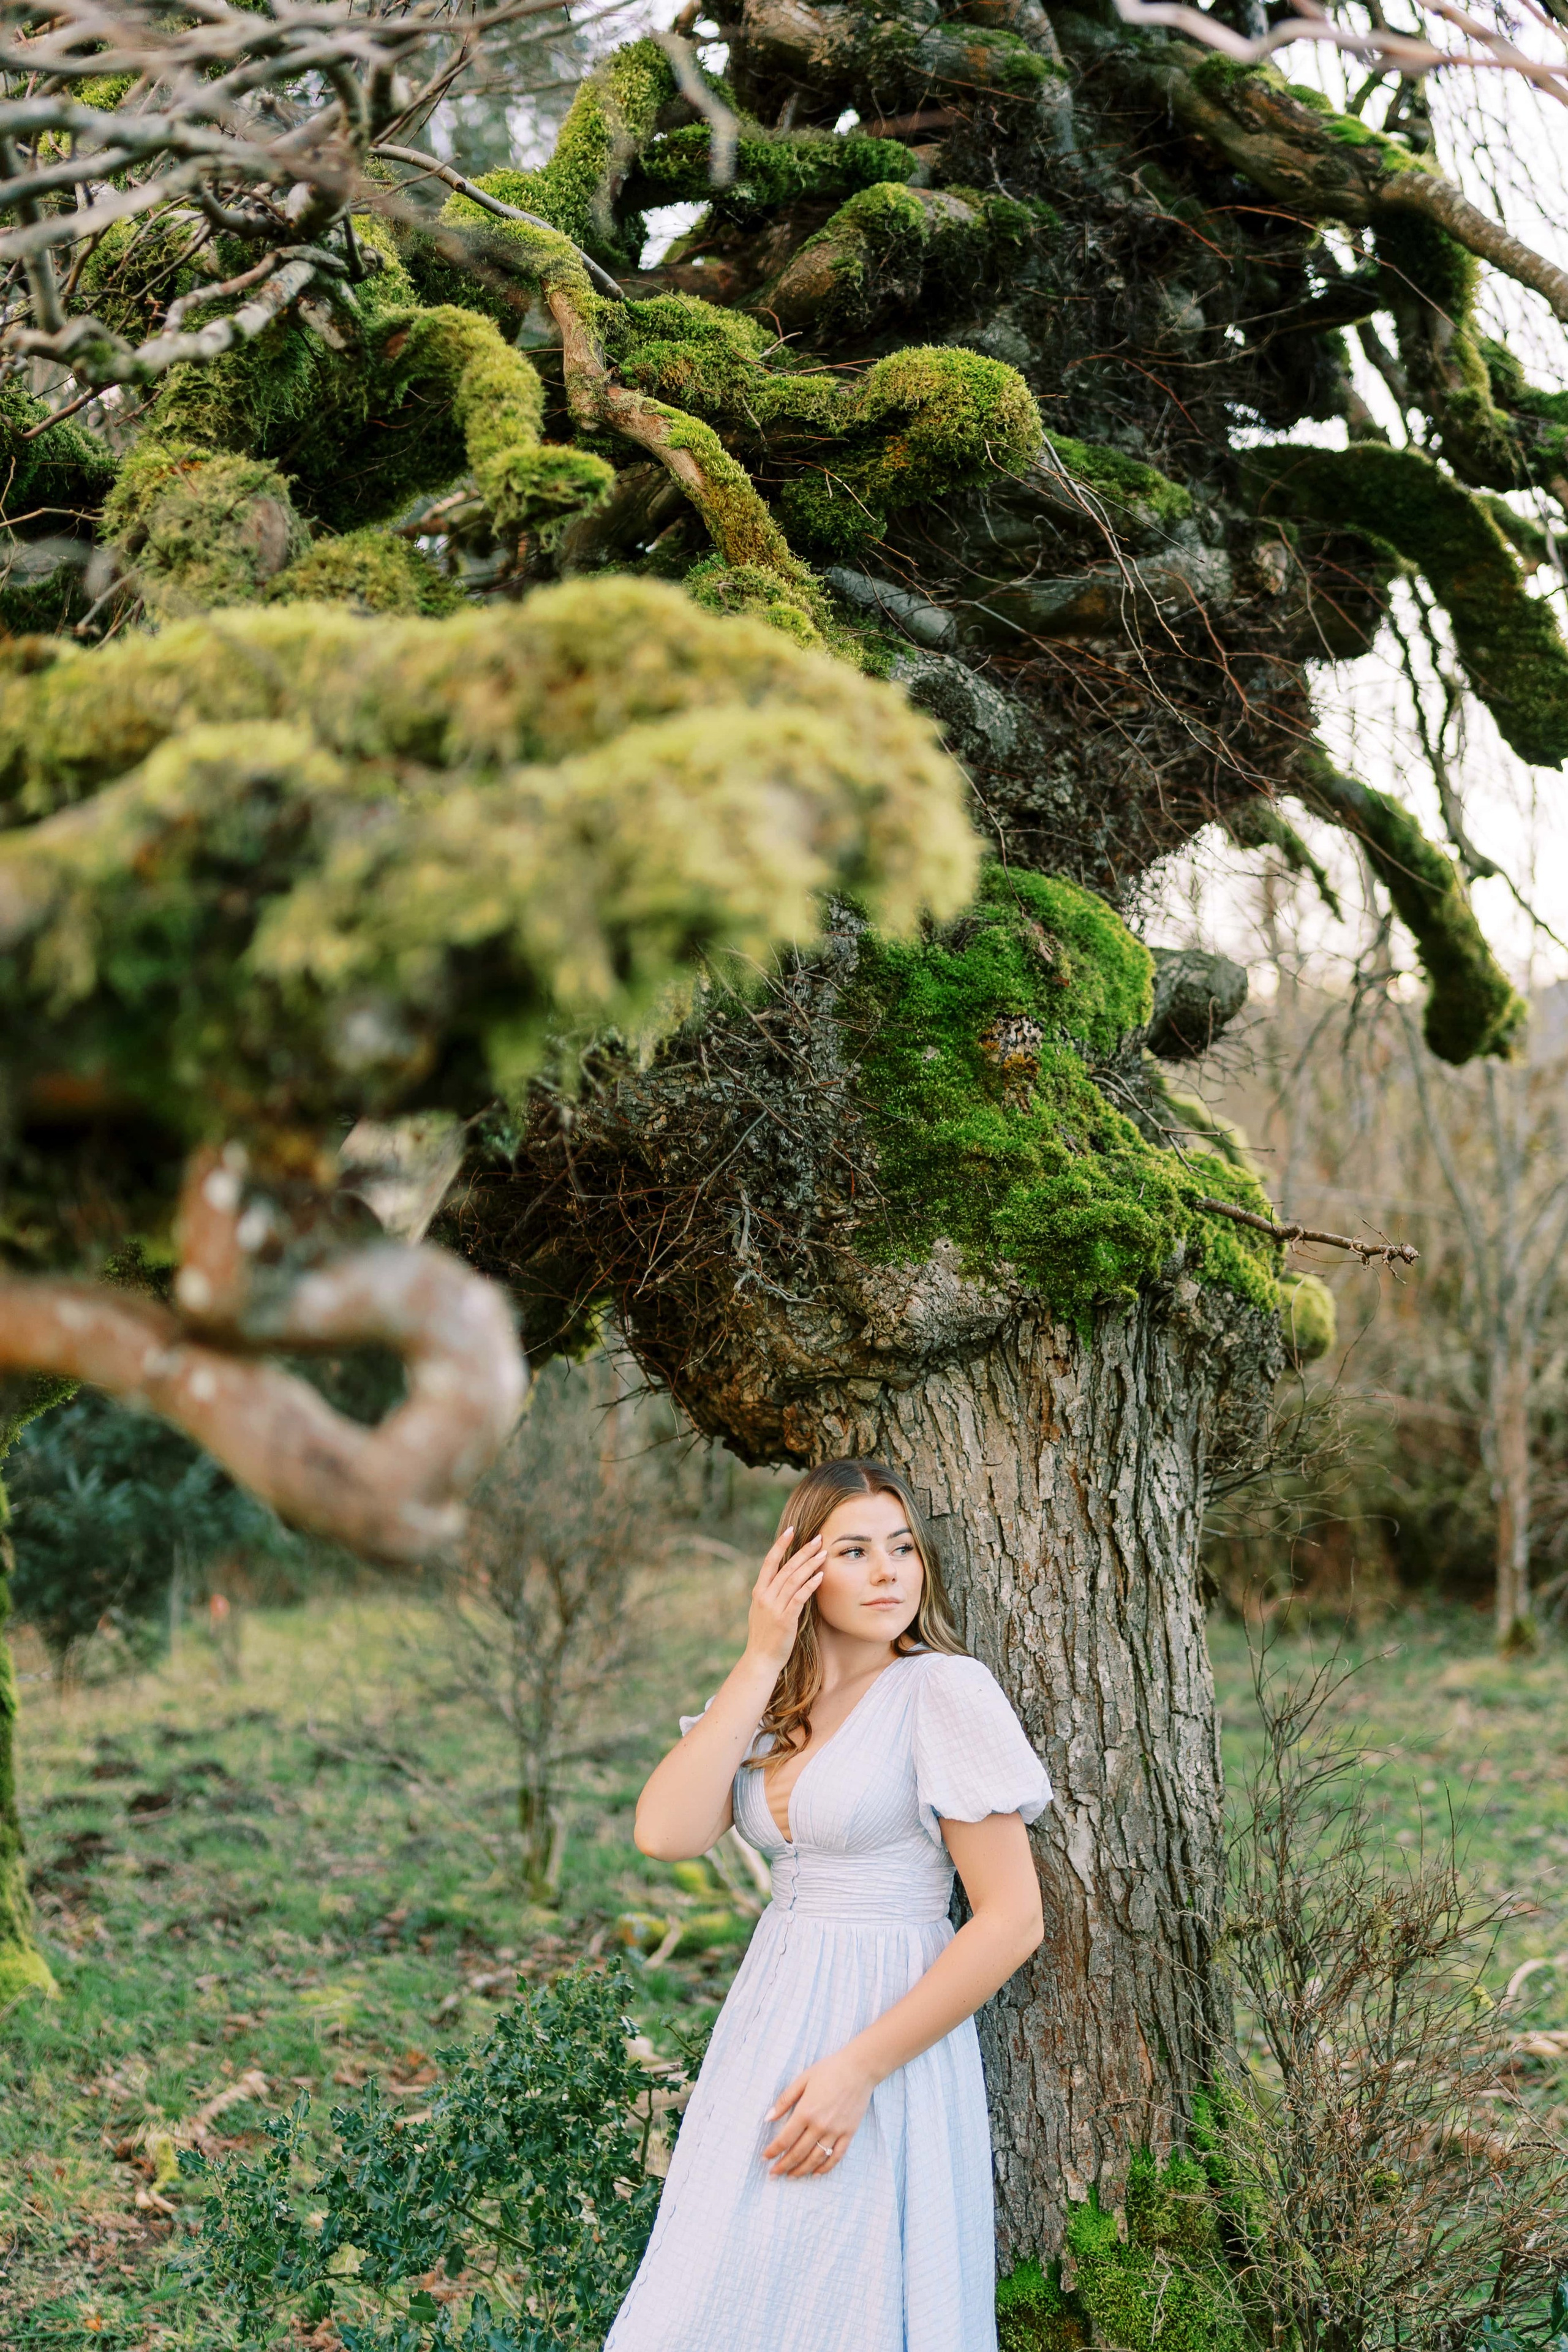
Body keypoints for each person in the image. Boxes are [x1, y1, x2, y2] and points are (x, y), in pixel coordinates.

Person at [606, 1457, 1051, 2352]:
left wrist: (857, 2072)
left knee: (846, 2296)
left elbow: (1012, 1919)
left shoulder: (942, 1689)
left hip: (885, 2029)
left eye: (902, 1548)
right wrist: (761, 1655)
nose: (888, 1572)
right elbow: (664, 1831)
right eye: (854, 1551)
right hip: (769, 2022)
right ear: (800, 1570)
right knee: (710, 2294)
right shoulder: (775, 1701)